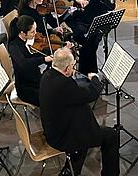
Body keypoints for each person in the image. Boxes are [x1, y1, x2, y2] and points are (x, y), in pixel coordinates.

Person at [39, 47, 119, 176]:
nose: (74, 67)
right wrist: (94, 78)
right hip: (62, 137)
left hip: (54, 128)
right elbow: (91, 94)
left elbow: (74, 94)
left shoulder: (47, 76)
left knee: (84, 136)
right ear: (67, 69)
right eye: (73, 65)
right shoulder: (63, 85)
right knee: (111, 136)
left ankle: (71, 170)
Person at [62, 0, 117, 74]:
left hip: (96, 20)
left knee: (93, 42)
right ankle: (91, 72)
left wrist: (111, 1)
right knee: (85, 39)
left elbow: (108, 7)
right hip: (80, 19)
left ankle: (86, 71)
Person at [7, 15, 53, 106]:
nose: (35, 33)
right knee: (50, 100)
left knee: (55, 90)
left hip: (34, 78)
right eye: (32, 32)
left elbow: (30, 57)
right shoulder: (14, 46)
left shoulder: (24, 41)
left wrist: (46, 55)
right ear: (23, 33)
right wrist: (43, 59)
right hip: (25, 88)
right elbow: (24, 63)